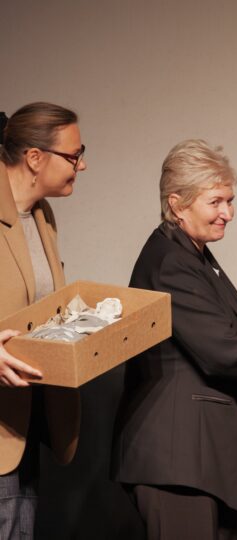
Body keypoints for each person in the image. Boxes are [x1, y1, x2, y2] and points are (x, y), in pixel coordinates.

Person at [111, 139, 237, 540]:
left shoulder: (191, 255)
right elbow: (222, 352)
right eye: (215, 202)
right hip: (177, 460)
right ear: (177, 204)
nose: (227, 214)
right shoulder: (171, 262)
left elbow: (219, 339)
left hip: (197, 460)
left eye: (230, 201)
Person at [0, 102, 86, 538]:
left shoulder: (41, 215)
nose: (81, 165)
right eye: (74, 155)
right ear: (35, 158)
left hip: (25, 418)